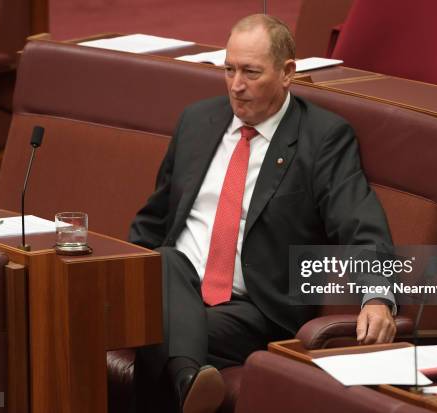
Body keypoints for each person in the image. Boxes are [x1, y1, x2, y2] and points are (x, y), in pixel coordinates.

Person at [129, 14, 396, 413]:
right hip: (175, 286)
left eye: (251, 72)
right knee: (166, 261)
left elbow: (361, 223)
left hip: (253, 308)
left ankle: (186, 377)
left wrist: (376, 295)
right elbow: (153, 222)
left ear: (288, 73)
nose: (237, 85)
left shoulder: (322, 139)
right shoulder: (197, 121)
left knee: (156, 331)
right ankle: (189, 382)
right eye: (229, 70)